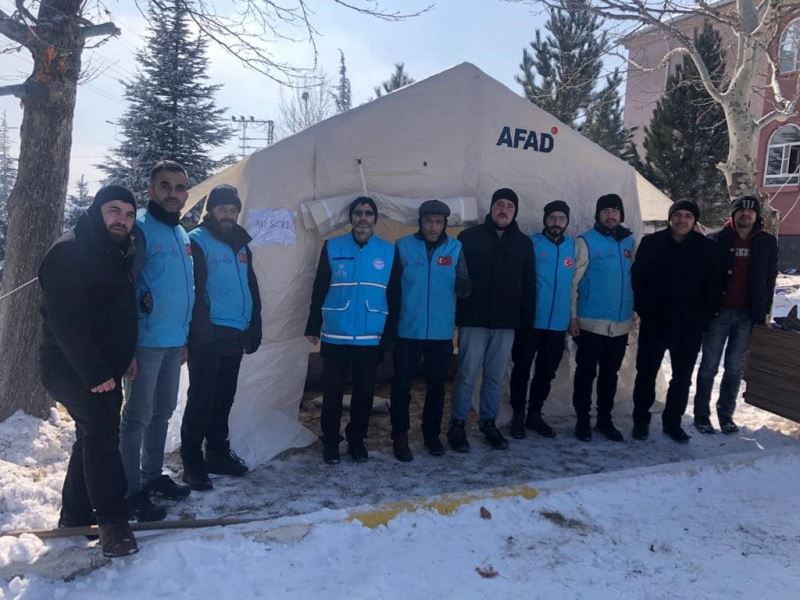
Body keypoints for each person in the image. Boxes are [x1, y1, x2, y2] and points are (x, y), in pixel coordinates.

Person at [39, 185, 140, 557]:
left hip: (104, 366)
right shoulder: (69, 252)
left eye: (129, 214)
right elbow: (67, 325)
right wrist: (96, 372)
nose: (122, 220)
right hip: (71, 367)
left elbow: (117, 314)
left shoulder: (114, 251)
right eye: (114, 211)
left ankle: (75, 515)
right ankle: (113, 524)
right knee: (101, 437)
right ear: (97, 210)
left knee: (90, 437)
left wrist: (124, 357)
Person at [119, 160, 195, 520]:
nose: (173, 194)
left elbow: (183, 290)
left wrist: (184, 339)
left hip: (173, 341)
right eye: (165, 186)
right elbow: (123, 287)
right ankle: (129, 489)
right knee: (136, 416)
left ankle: (151, 476)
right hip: (144, 343)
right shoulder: (141, 230)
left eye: (180, 188)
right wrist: (126, 347)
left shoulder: (181, 234)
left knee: (163, 412)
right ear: (151, 190)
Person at [180, 184, 262, 489]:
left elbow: (251, 288)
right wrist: (202, 333)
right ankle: (192, 461)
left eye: (232, 210)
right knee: (201, 399)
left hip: (235, 333)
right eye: (222, 209)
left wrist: (254, 326)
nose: (227, 215)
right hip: (209, 334)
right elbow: (195, 292)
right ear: (211, 211)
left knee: (224, 398)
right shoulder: (198, 242)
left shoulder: (241, 244)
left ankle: (216, 453)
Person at [305, 196, 397, 464]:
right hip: (336, 333)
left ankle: (357, 441)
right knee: (332, 392)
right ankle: (331, 441)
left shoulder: (388, 251)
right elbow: (319, 287)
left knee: (364, 394)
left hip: (371, 336)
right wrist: (313, 324)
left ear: (375, 219)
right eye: (358, 213)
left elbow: (395, 294)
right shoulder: (332, 247)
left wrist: (390, 334)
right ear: (351, 218)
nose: (363, 218)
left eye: (368, 213)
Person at [447, 188, 536, 452]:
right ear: (491, 207)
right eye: (499, 204)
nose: (504, 209)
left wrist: (526, 322)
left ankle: (488, 422)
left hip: (506, 322)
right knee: (466, 375)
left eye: (509, 205)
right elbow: (456, 277)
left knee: (495, 377)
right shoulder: (469, 238)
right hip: (473, 318)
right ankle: (457, 424)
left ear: (515, 211)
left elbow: (529, 285)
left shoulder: (523, 243)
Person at [387, 199, 470, 461]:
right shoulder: (403, 246)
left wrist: (464, 286)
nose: (433, 227)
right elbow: (392, 289)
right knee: (401, 385)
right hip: (407, 330)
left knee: (436, 386)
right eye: (428, 221)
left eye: (438, 222)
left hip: (441, 332)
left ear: (445, 224)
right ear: (420, 222)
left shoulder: (456, 248)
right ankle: (399, 436)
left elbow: (464, 281)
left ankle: (431, 435)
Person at [631, 199, 719, 443]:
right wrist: (644, 309)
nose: (682, 220)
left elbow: (714, 286)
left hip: (688, 326)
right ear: (671, 218)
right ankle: (640, 420)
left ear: (694, 221)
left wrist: (704, 316)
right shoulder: (651, 243)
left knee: (681, 378)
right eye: (678, 215)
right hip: (656, 321)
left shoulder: (706, 248)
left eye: (688, 216)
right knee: (646, 373)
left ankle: (673, 422)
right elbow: (638, 279)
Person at [693, 195, 779, 434]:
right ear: (733, 213)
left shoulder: (766, 242)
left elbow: (769, 280)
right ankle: (701, 415)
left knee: (733, 367)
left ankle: (726, 414)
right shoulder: (715, 239)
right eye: (741, 211)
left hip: (747, 315)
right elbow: (703, 279)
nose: (746, 215)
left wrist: (763, 313)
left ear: (757, 216)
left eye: (751, 212)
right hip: (718, 313)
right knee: (709, 365)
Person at [570, 193, 635, 442]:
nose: (611, 215)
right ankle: (583, 419)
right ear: (598, 215)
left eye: (615, 211)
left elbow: (635, 279)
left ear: (621, 215)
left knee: (610, 374)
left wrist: (634, 312)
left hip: (619, 324)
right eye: (606, 211)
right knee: (586, 373)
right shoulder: (586, 241)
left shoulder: (629, 242)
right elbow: (573, 283)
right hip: (590, 322)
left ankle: (604, 419)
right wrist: (573, 316)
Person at [509, 200, 574, 439]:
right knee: (522, 368)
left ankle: (534, 413)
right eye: (553, 218)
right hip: (531, 321)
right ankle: (517, 413)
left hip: (557, 323)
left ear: (567, 222)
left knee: (547, 371)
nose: (557, 223)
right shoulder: (531, 244)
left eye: (562, 219)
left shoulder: (573, 246)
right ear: (545, 219)